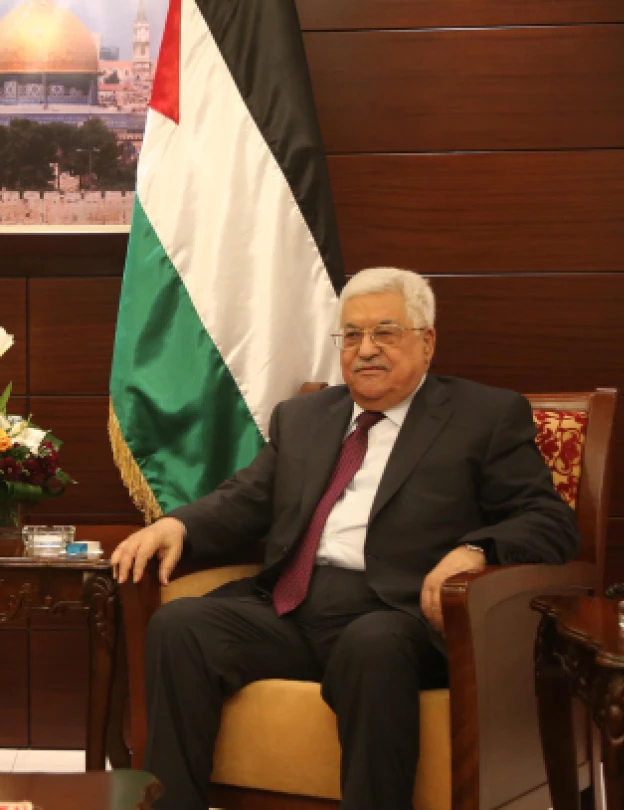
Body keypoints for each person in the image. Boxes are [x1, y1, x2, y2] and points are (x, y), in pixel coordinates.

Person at [110, 267, 578, 810]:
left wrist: (476, 551)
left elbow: (547, 520)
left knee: (370, 645)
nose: (366, 349)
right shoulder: (304, 416)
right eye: (351, 335)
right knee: (180, 626)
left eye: (385, 333)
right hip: (292, 607)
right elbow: (246, 499)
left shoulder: (485, 416)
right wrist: (179, 525)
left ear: (427, 342)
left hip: (400, 614)